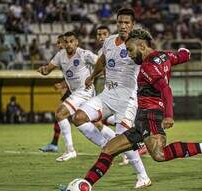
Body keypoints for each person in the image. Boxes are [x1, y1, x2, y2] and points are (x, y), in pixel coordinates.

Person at [66, 28, 202, 190]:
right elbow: (182, 55)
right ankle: (85, 185)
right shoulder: (164, 56)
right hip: (142, 117)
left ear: (142, 46)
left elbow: (165, 89)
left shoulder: (148, 67)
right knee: (109, 149)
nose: (130, 55)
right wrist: (185, 51)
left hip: (151, 115)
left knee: (159, 155)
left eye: (130, 50)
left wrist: (168, 116)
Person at [72, 8, 151, 188]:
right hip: (107, 95)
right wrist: (93, 76)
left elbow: (150, 62)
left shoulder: (139, 44)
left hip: (128, 99)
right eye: (120, 22)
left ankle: (143, 176)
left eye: (126, 23)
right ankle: (107, 145)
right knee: (78, 117)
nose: (123, 26)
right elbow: (102, 60)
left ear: (133, 25)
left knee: (122, 138)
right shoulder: (108, 41)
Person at [37, 31, 100, 162]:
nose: (69, 44)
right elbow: (48, 70)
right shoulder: (60, 55)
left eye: (72, 41)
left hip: (85, 92)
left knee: (60, 113)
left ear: (76, 42)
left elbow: (101, 63)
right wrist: (43, 70)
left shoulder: (84, 54)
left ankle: (70, 150)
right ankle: (111, 146)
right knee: (91, 123)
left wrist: (92, 77)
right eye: (66, 42)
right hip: (76, 92)